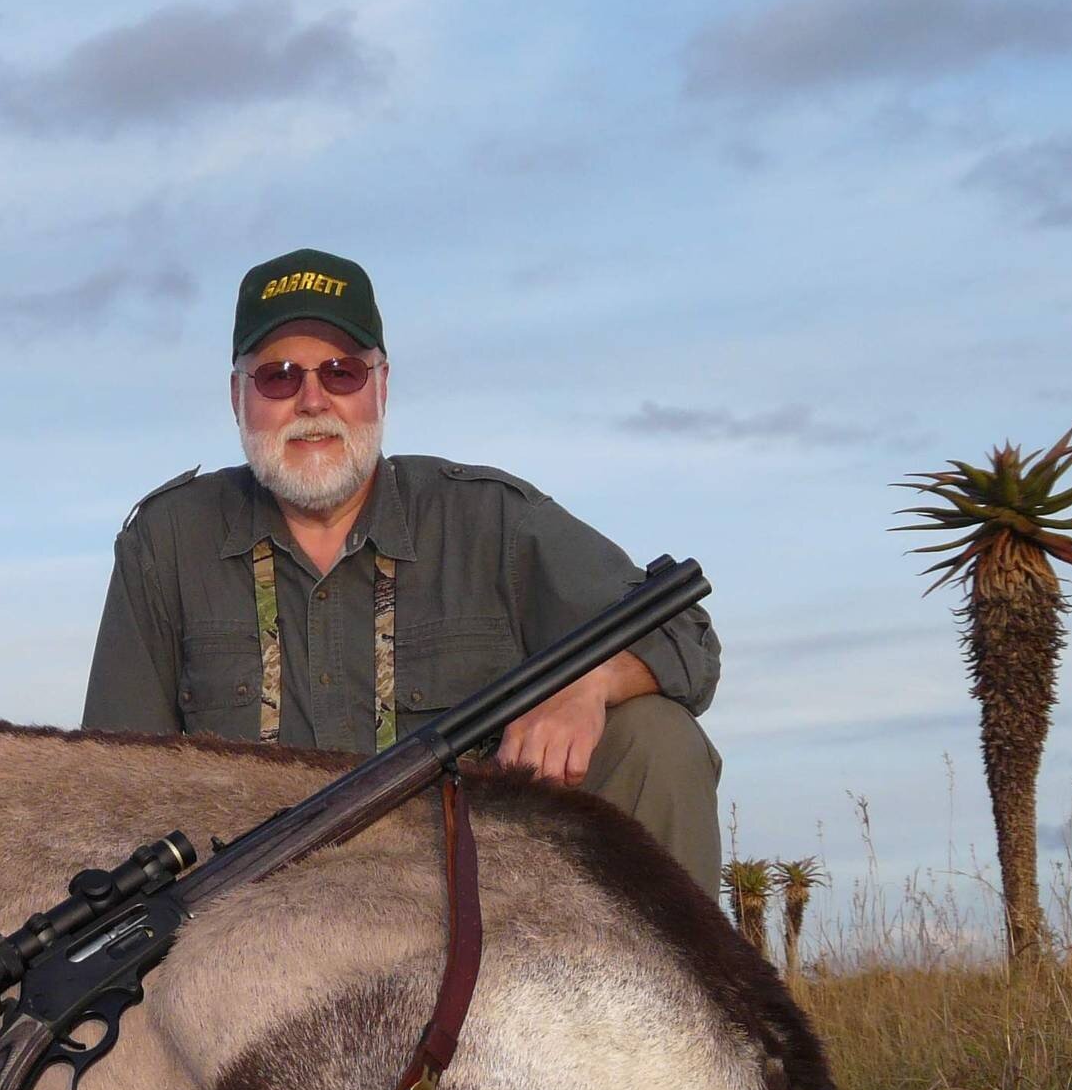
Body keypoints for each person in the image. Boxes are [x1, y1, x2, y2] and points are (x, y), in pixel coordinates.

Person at [82, 248, 724, 884]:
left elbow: (683, 632)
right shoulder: (164, 544)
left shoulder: (491, 521)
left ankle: (671, 989)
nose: (312, 401)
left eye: (342, 373)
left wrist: (590, 685)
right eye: (278, 376)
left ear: (381, 385)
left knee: (656, 737)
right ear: (237, 396)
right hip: (248, 926)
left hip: (467, 909)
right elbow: (108, 782)